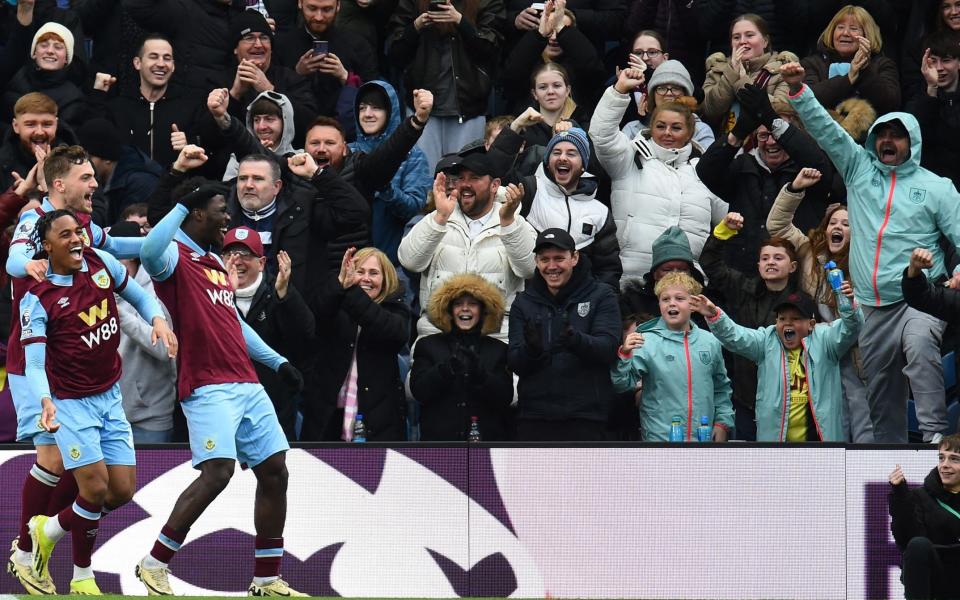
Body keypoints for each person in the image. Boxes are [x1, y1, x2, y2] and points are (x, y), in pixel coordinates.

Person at [134, 174, 306, 596]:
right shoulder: (173, 258)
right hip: (207, 384)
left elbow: (235, 325)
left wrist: (277, 361)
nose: (227, 215)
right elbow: (147, 249)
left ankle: (266, 580)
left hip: (246, 382)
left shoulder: (213, 263)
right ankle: (153, 563)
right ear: (195, 212)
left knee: (275, 472)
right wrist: (181, 202)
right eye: (219, 208)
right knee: (217, 473)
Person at [783, 60, 958, 444]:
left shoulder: (937, 187)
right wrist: (799, 91)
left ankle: (933, 439)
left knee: (919, 344)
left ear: (912, 142)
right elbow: (828, 132)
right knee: (880, 385)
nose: (888, 141)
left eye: (897, 136)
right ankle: (887, 451)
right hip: (871, 304)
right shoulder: (858, 169)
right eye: (882, 135)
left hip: (921, 297)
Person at [6, 145, 146, 595]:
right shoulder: (34, 220)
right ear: (59, 185)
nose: (95, 185)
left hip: (84, 374)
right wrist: (27, 263)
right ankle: (27, 550)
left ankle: (49, 543)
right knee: (51, 459)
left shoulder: (82, 228)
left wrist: (168, 240)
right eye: (86, 178)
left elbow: (119, 248)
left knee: (95, 481)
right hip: (38, 363)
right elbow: (12, 263)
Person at [21, 209, 176, 595]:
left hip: (111, 395)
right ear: (48, 246)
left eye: (79, 232)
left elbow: (139, 295)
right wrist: (45, 400)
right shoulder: (37, 299)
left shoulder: (100, 261)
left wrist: (156, 319)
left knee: (121, 491)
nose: (77, 239)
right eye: (66, 235)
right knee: (92, 490)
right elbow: (35, 362)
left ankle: (47, 528)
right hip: (71, 402)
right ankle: (82, 576)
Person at [589, 66, 728, 286]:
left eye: (676, 128)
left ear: (690, 133)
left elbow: (729, 219)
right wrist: (619, 91)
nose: (667, 133)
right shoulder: (630, 158)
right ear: (651, 128)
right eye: (660, 126)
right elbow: (601, 136)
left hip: (687, 287)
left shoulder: (704, 171)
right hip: (632, 280)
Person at [766, 168, 872, 443]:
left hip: (856, 349)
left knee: (861, 412)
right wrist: (794, 188)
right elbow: (778, 227)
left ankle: (862, 463)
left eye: (847, 224)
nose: (838, 227)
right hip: (819, 346)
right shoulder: (809, 253)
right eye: (833, 223)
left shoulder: (867, 261)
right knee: (829, 415)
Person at [398, 150, 537, 343]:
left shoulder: (514, 222)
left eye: (474, 178)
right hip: (437, 338)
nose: (465, 185)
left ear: (494, 185)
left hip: (496, 340)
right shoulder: (439, 218)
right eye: (461, 178)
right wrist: (439, 218)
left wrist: (508, 223)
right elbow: (409, 261)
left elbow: (530, 268)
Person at [696, 82, 834, 275]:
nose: (770, 142)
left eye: (776, 134)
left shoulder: (807, 170)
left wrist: (771, 119)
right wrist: (739, 131)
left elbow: (820, 164)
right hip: (746, 279)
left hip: (798, 275)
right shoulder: (743, 165)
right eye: (763, 135)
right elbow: (705, 170)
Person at [695, 285, 862, 442]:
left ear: (811, 324)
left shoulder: (826, 341)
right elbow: (736, 336)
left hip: (821, 444)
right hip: (776, 447)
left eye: (795, 318)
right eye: (782, 318)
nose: (787, 323)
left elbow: (851, 328)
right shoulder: (767, 340)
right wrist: (714, 315)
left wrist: (848, 306)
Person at [508, 228, 620, 440]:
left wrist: (575, 340)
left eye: (559, 258)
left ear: (574, 257)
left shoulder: (601, 295)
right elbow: (514, 361)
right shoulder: (524, 302)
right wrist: (531, 351)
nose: (552, 266)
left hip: (587, 416)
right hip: (534, 416)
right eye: (544, 259)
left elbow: (608, 349)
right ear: (536, 261)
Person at [700, 213, 801, 440]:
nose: (771, 262)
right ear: (758, 265)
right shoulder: (743, 288)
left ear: (793, 266)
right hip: (745, 398)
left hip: (786, 404)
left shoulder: (801, 304)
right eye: (765, 258)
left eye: (778, 257)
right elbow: (710, 263)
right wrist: (723, 230)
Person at [611, 271, 733, 442]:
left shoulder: (710, 341)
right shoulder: (645, 341)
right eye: (665, 299)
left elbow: (721, 389)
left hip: (703, 440)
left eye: (679, 298)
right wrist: (624, 354)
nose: (672, 304)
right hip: (660, 440)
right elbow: (621, 385)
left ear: (693, 303)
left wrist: (722, 423)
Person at [495, 125, 621, 289]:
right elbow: (495, 172)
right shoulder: (530, 189)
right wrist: (516, 126)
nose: (562, 158)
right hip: (533, 300)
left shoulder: (600, 212)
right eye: (556, 153)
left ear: (583, 165)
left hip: (581, 305)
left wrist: (598, 305)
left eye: (571, 153)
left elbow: (608, 270)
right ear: (547, 163)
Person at [305, 247, 409, 441]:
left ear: (386, 279)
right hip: (327, 420)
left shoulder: (396, 310)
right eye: (359, 271)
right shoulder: (336, 304)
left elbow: (392, 331)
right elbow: (315, 319)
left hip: (380, 423)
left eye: (374, 273)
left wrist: (351, 290)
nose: (366, 279)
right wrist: (338, 286)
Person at [387, 0, 504, 170]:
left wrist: (460, 21)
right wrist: (416, 26)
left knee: (466, 177)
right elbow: (395, 53)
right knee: (423, 181)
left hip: (469, 107)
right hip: (422, 109)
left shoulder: (484, 2)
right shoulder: (412, 2)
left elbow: (492, 48)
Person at [223, 227, 314, 440]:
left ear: (262, 262)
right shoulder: (211, 295)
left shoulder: (277, 291)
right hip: (224, 407)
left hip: (274, 408)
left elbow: (305, 336)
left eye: (245, 255)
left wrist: (285, 294)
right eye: (230, 254)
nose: (237, 261)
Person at [411, 273, 513, 441]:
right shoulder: (428, 345)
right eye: (458, 304)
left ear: (483, 310)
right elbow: (419, 392)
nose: (465, 309)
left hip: (487, 449)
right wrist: (446, 369)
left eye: (472, 304)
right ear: (449, 310)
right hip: (440, 448)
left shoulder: (498, 349)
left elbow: (505, 397)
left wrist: (481, 375)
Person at [90, 34, 203, 171]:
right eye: (153, 57)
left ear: (173, 66)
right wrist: (98, 94)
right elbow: (94, 146)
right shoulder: (118, 108)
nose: (161, 64)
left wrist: (187, 146)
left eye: (167, 58)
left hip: (175, 188)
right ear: (137, 63)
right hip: (128, 189)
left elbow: (204, 156)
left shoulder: (189, 108)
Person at [348, 80, 432, 265]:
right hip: (350, 263)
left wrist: (386, 189)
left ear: (390, 112)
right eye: (362, 108)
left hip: (394, 265)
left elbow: (414, 209)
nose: (368, 114)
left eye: (376, 108)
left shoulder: (413, 156)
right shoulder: (347, 152)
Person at [110, 220, 177, 444]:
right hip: (109, 416)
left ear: (129, 256)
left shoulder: (156, 290)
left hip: (149, 418)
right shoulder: (97, 291)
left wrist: (120, 316)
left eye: (109, 255)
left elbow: (164, 349)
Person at [274, 0, 379, 130]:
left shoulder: (357, 44)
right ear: (300, 3)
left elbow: (375, 94)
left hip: (347, 132)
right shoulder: (282, 44)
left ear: (338, 6)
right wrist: (296, 74)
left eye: (326, 10)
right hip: (294, 131)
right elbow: (272, 93)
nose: (319, 17)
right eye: (312, 9)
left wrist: (345, 77)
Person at [226, 10, 317, 146]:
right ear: (235, 48)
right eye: (249, 38)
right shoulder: (221, 79)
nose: (258, 44)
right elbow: (211, 133)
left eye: (264, 38)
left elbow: (310, 123)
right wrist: (235, 95)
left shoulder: (291, 78)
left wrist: (270, 90)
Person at [500, 0, 606, 117]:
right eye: (549, 31)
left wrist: (563, 31)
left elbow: (593, 70)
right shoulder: (527, 63)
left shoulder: (579, 66)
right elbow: (511, 75)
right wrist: (539, 35)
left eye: (560, 31)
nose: (554, 38)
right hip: (530, 129)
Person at [888, 434, 960, 600]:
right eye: (941, 458)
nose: (945, 465)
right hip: (938, 577)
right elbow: (907, 542)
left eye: (954, 459)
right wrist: (900, 495)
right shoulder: (919, 496)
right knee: (918, 545)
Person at [701, 13, 797, 134]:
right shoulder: (717, 68)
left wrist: (742, 82)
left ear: (765, 41)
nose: (742, 41)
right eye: (736, 37)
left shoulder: (783, 69)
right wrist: (731, 73)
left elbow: (781, 112)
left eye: (750, 35)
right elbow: (709, 110)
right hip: (724, 146)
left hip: (766, 144)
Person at [800, 5, 901, 118]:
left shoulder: (883, 64)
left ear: (867, 35)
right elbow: (808, 99)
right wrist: (848, 78)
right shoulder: (812, 63)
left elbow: (891, 103)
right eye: (840, 27)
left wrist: (864, 71)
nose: (845, 33)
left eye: (853, 29)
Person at [123, 0, 242, 93]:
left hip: (226, 106)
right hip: (183, 103)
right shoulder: (183, 9)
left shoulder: (244, 16)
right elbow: (136, 5)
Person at [2, 22, 90, 130]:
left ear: (66, 58)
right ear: (34, 53)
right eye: (44, 45)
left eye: (58, 47)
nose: (50, 51)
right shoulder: (14, 77)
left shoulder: (73, 98)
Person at [76, 117, 163, 226]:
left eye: (90, 157)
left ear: (107, 159)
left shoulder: (141, 184)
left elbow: (127, 230)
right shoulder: (107, 179)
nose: (85, 163)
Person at [905, 30, 960, 190]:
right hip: (929, 185)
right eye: (933, 61)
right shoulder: (920, 94)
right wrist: (931, 88)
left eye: (946, 60)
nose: (939, 68)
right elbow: (914, 134)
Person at [621, 59, 714, 149]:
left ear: (685, 94)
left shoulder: (701, 130)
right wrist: (648, 124)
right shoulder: (632, 129)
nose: (669, 93)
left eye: (676, 88)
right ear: (653, 95)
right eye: (661, 88)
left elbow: (706, 163)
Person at [0, 92, 78, 192]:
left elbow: (96, 205)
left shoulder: (77, 161)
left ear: (56, 125)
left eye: (47, 124)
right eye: (30, 124)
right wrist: (17, 197)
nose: (40, 132)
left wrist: (48, 189)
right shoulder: (3, 163)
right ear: (16, 126)